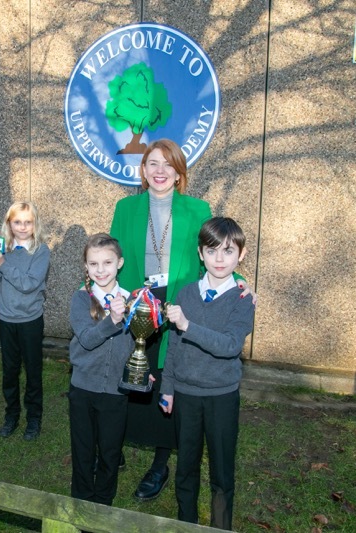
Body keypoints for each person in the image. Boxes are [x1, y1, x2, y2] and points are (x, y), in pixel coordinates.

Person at [109, 138, 253, 501]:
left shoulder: (197, 208)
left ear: (179, 173)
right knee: (132, 373)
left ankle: (160, 463)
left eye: (168, 165)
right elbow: (111, 255)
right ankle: (116, 448)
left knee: (166, 381)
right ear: (143, 170)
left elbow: (215, 254)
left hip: (178, 306)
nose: (160, 171)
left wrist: (240, 282)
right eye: (153, 164)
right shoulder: (125, 208)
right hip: (137, 305)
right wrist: (95, 290)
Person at [160, 217, 255, 529]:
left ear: (240, 255)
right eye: (211, 251)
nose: (219, 259)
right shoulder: (187, 294)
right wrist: (168, 386)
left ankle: (220, 526)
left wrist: (189, 325)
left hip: (221, 396)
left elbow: (229, 345)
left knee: (221, 471)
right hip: (186, 395)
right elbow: (173, 343)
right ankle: (185, 523)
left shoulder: (242, 299)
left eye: (228, 252)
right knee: (185, 466)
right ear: (200, 253)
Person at [0, 202, 50, 441]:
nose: (23, 227)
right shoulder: (1, 249)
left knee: (33, 371)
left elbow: (28, 285)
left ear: (35, 224)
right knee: (10, 371)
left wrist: (2, 264)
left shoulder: (41, 251)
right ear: (9, 224)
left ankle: (34, 417)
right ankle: (12, 414)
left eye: (28, 222)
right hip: (6, 319)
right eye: (17, 222)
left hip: (30, 320)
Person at [68, 233, 133, 506]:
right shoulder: (81, 299)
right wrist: (113, 320)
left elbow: (137, 343)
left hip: (116, 391)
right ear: (86, 266)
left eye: (107, 262)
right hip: (83, 389)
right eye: (93, 264)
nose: (101, 270)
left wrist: (141, 368)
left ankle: (104, 503)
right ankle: (82, 502)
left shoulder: (131, 300)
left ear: (119, 263)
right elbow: (87, 338)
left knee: (110, 451)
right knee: (83, 450)